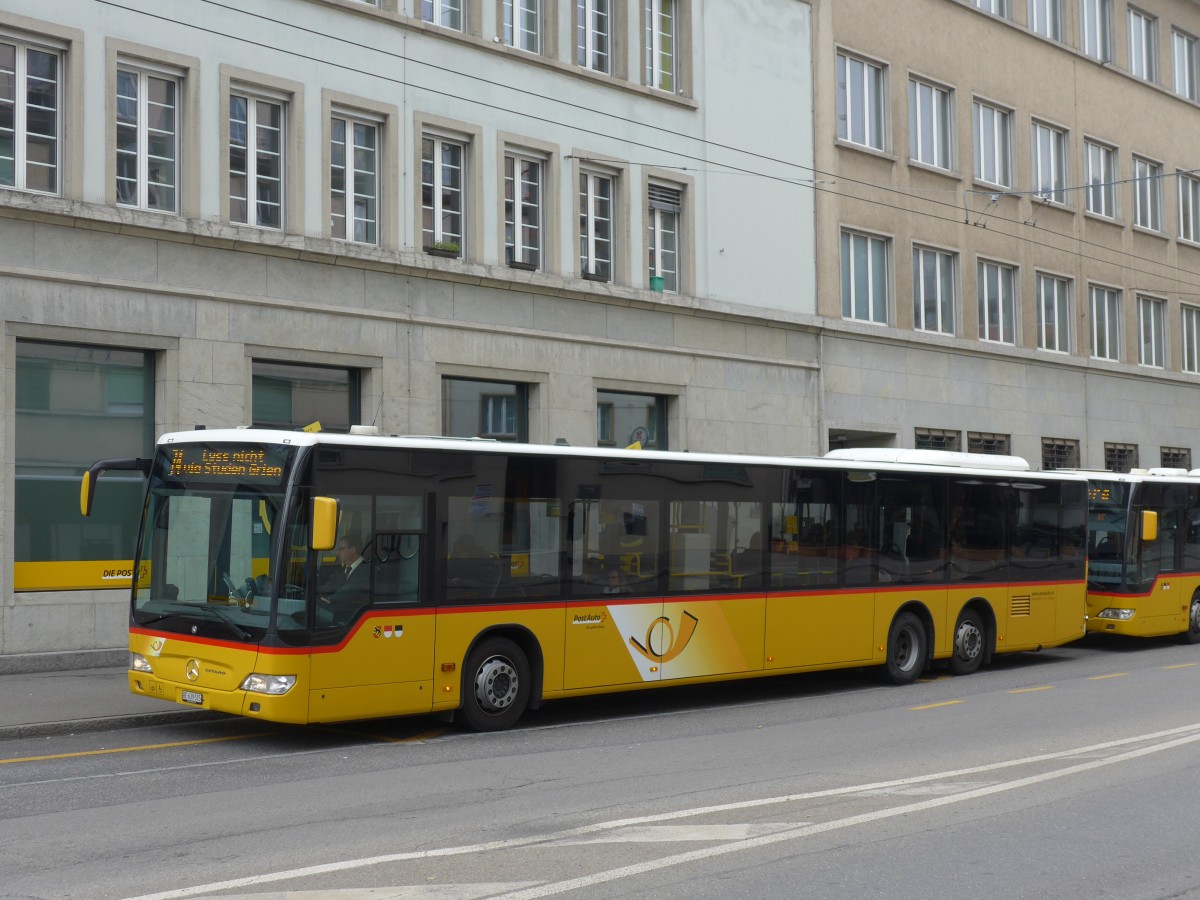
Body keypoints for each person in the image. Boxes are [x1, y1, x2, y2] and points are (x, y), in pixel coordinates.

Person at [321, 533, 371, 616]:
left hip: (355, 617)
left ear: (352, 550)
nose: (338, 553)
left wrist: (331, 599)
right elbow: (330, 586)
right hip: (339, 616)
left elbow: (353, 589)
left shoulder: (367, 569)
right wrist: (314, 591)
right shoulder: (342, 571)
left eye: (341, 549)